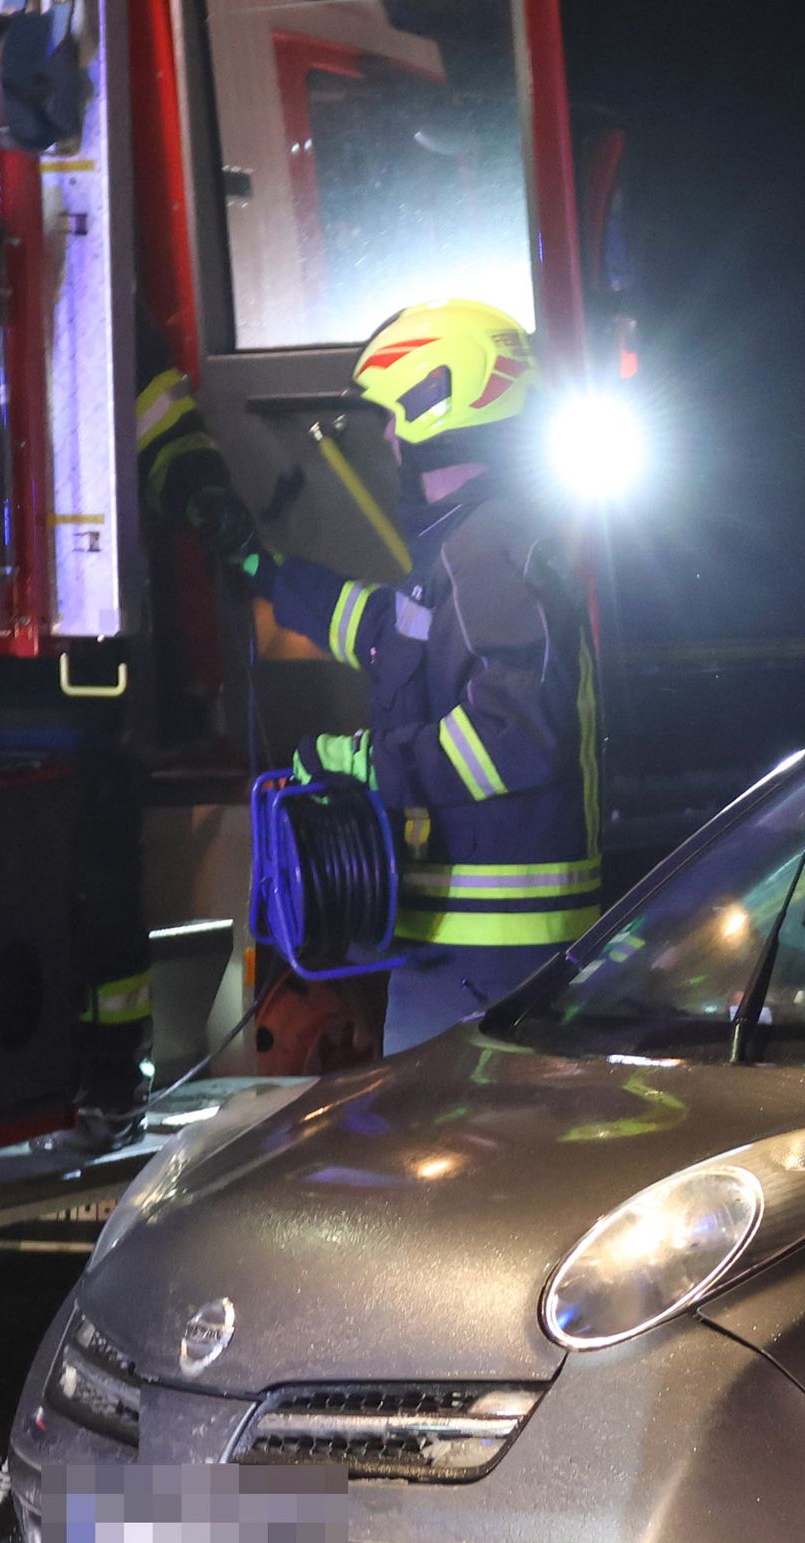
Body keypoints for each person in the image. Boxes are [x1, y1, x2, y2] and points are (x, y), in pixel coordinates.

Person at [137, 298, 604, 1051]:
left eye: (393, 416)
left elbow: (511, 737)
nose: (387, 438)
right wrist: (267, 572)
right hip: (465, 953)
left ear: (437, 409)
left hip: (490, 960)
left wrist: (362, 763)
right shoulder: (473, 545)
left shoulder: (490, 551)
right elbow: (388, 633)